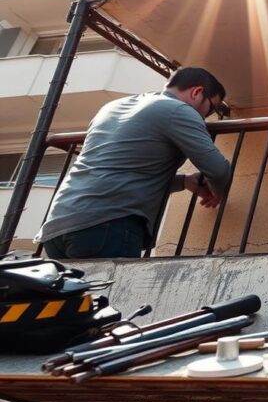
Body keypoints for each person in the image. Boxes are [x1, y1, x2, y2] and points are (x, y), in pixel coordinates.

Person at [35, 67, 232, 259]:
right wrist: (217, 192)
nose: (206, 116)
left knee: (72, 293)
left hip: (57, 226)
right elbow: (218, 169)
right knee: (109, 292)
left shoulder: (112, 107)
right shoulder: (178, 110)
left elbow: (122, 168)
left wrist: (184, 182)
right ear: (197, 92)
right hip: (108, 225)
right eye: (211, 109)